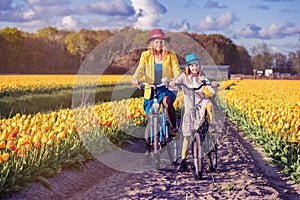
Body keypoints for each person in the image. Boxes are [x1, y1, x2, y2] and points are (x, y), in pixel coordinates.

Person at [131, 28, 182, 163]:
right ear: (152, 43)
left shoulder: (170, 55)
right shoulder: (145, 55)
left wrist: (174, 80)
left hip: (165, 88)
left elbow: (177, 70)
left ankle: (173, 127)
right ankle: (148, 150)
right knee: (150, 119)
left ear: (164, 43)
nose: (159, 44)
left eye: (161, 42)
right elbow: (140, 69)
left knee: (167, 102)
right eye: (156, 42)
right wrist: (135, 79)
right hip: (150, 89)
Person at [169, 53, 218, 172]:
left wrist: (213, 85)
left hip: (201, 102)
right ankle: (184, 160)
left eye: (196, 65)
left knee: (210, 105)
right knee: (187, 135)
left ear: (199, 65)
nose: (194, 68)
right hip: (190, 107)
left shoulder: (202, 77)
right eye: (192, 66)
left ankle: (212, 126)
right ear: (188, 67)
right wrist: (173, 83)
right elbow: (175, 82)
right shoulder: (184, 77)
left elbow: (210, 87)